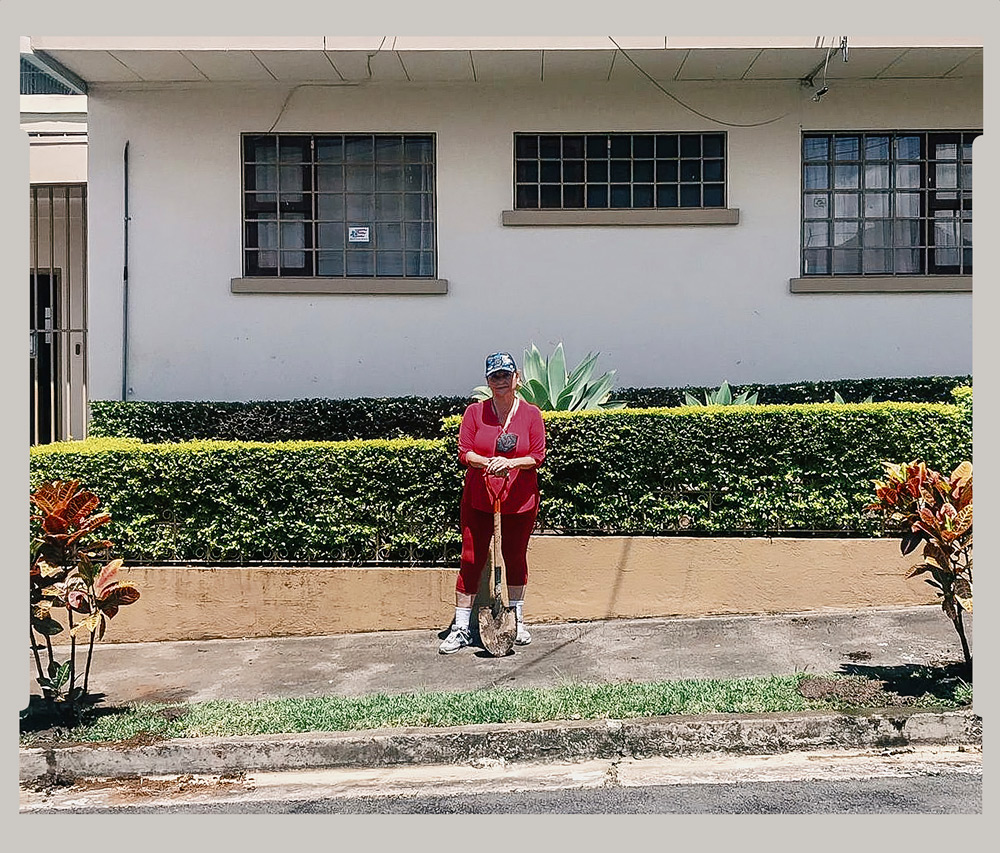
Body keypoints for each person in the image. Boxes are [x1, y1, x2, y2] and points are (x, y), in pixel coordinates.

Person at [439, 351, 547, 654]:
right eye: (494, 376)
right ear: (487, 381)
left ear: (517, 378)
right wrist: (488, 462)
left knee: (514, 557)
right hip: (479, 497)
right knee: (472, 558)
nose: (500, 381)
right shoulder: (475, 412)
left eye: (505, 375)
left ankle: (516, 620)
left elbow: (537, 456)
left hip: (518, 500)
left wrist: (511, 464)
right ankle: (461, 627)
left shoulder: (531, 414)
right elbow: (465, 452)